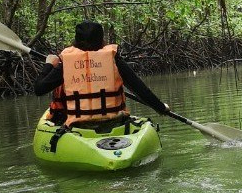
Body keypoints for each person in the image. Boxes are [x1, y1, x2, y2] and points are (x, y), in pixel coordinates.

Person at [33, 20, 169, 127]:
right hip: (114, 123)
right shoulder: (113, 60)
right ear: (102, 40)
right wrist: (161, 108)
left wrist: (49, 64)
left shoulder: (67, 64)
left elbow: (39, 89)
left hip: (80, 126)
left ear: (76, 41)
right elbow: (139, 88)